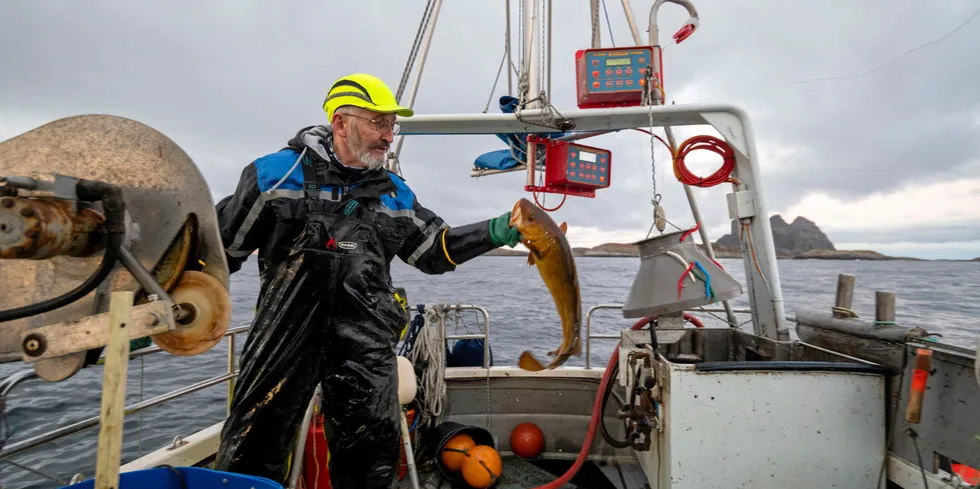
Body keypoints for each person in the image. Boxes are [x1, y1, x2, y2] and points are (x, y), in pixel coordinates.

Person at [211, 73, 523, 488]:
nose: (388, 135)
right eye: (378, 123)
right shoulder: (275, 176)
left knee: (371, 464)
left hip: (365, 345)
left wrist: (497, 230)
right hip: (284, 338)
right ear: (341, 123)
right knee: (251, 453)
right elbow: (219, 251)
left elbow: (433, 249)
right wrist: (165, 304)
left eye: (391, 124)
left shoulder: (393, 193)